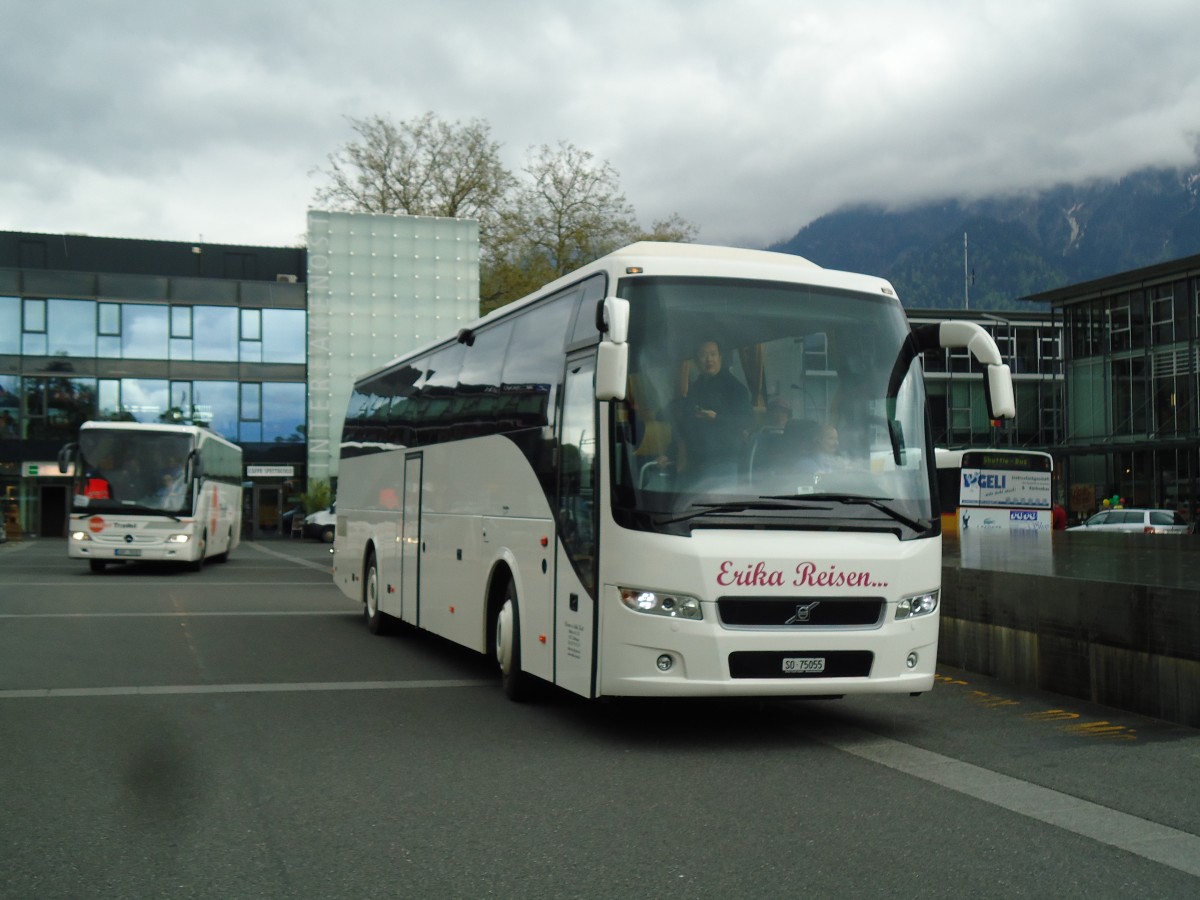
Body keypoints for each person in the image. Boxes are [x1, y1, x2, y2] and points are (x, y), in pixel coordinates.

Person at [665, 338, 751, 485]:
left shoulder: (735, 388)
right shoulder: (695, 389)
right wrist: (670, 455)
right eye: (703, 355)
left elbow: (747, 420)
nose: (709, 359)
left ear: (720, 358)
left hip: (724, 463)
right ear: (696, 361)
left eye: (713, 354)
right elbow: (684, 426)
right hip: (694, 465)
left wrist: (716, 418)